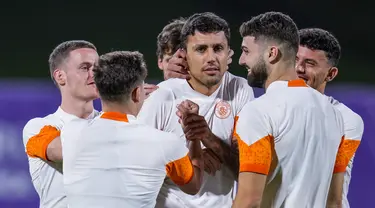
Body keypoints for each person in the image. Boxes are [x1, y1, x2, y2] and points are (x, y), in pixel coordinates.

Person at [138, 12, 254, 208]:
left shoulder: (240, 90)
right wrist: (191, 159)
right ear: (184, 54)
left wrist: (210, 139)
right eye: (201, 49)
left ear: (229, 53)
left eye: (218, 48)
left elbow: (246, 172)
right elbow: (137, 169)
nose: (211, 58)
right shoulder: (163, 96)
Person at [232, 11, 347, 207]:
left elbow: (249, 200)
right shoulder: (334, 114)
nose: (241, 60)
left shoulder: (259, 111)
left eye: (246, 51)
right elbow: (334, 202)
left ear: (271, 53)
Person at [60, 51, 204, 208]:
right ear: (136, 93)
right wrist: (193, 136)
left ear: (99, 91)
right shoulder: (166, 143)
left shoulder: (70, 131)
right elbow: (193, 186)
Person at [22, 40, 100, 208]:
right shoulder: (38, 128)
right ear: (60, 76)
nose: (95, 74)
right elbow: (66, 151)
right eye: (85, 68)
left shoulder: (112, 122)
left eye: (98, 68)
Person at [296, 28, 363, 207]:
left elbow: (331, 191)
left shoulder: (347, 119)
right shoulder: (269, 107)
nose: (299, 69)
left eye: (309, 63)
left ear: (331, 74)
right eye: (295, 60)